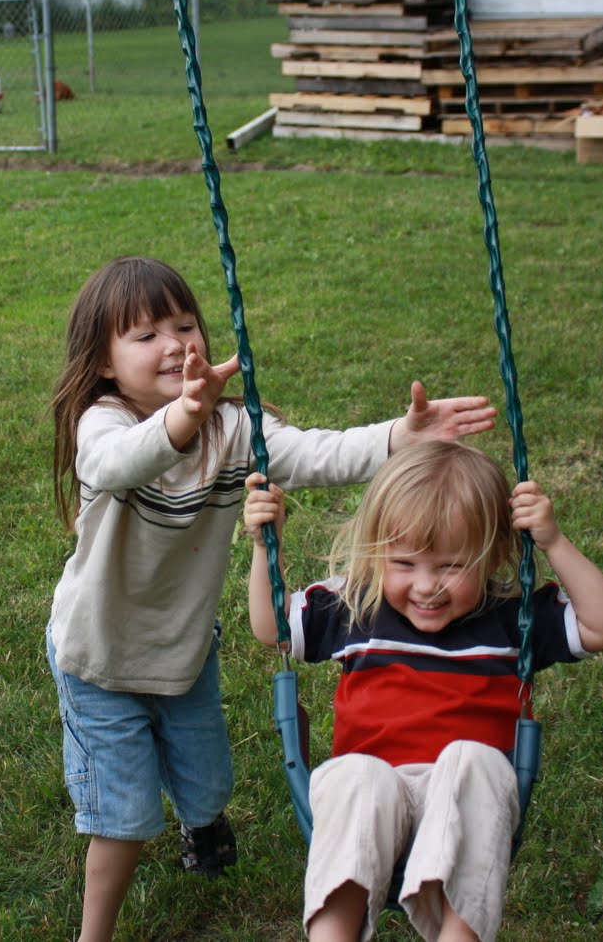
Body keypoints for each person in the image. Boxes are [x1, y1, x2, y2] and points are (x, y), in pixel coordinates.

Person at [47, 255, 499, 942]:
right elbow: (113, 465)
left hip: (183, 647)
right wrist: (183, 415)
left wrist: (399, 438)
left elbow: (319, 454)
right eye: (145, 335)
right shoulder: (102, 423)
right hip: (97, 652)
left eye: (184, 325)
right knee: (123, 817)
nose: (173, 344)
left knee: (207, 781)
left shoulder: (232, 428)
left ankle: (201, 823)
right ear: (104, 362)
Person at [242, 441, 603, 942]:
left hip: (460, 803)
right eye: (404, 563)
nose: (427, 586)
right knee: (354, 774)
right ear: (377, 552)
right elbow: (272, 628)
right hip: (373, 798)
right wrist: (264, 548)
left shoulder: (511, 617)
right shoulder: (356, 607)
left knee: (475, 761)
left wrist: (554, 541)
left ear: (494, 556)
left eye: (451, 566)